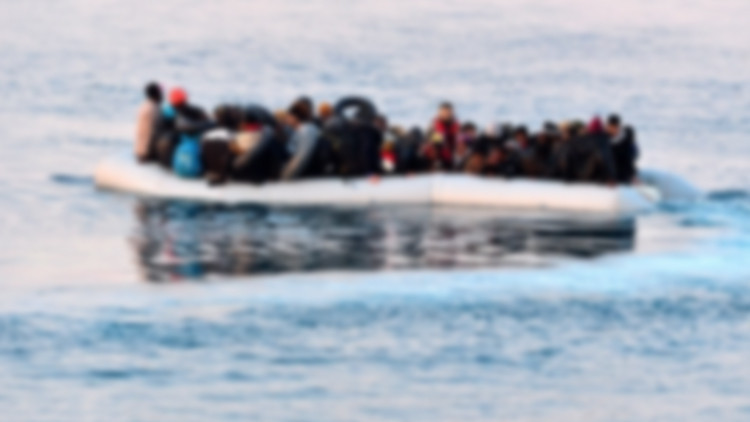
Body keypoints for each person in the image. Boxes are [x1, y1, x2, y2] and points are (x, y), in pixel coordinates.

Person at [280, 101, 323, 180]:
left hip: (304, 179)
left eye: (288, 116)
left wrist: (285, 176)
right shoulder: (302, 130)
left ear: (295, 117)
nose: (286, 119)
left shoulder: (306, 131)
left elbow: (300, 158)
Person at [606, 114, 639, 183]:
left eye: (614, 127)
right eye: (610, 127)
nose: (612, 129)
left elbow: (629, 160)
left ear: (618, 127)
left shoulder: (625, 140)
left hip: (622, 174)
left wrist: (632, 175)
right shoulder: (603, 138)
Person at [134, 82, 162, 162]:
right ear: (156, 94)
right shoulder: (154, 108)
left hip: (140, 150)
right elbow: (159, 129)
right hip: (147, 153)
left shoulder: (145, 105)